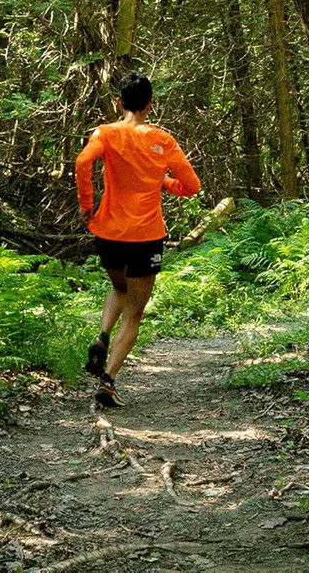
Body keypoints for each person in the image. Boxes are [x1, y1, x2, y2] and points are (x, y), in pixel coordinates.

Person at [75, 72, 201, 408]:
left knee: (119, 287)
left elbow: (83, 161)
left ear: (120, 103)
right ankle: (108, 381)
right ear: (149, 104)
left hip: (108, 233)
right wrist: (164, 183)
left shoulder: (106, 133)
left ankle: (102, 337)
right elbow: (192, 186)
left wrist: (87, 205)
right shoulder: (162, 139)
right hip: (145, 237)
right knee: (134, 313)